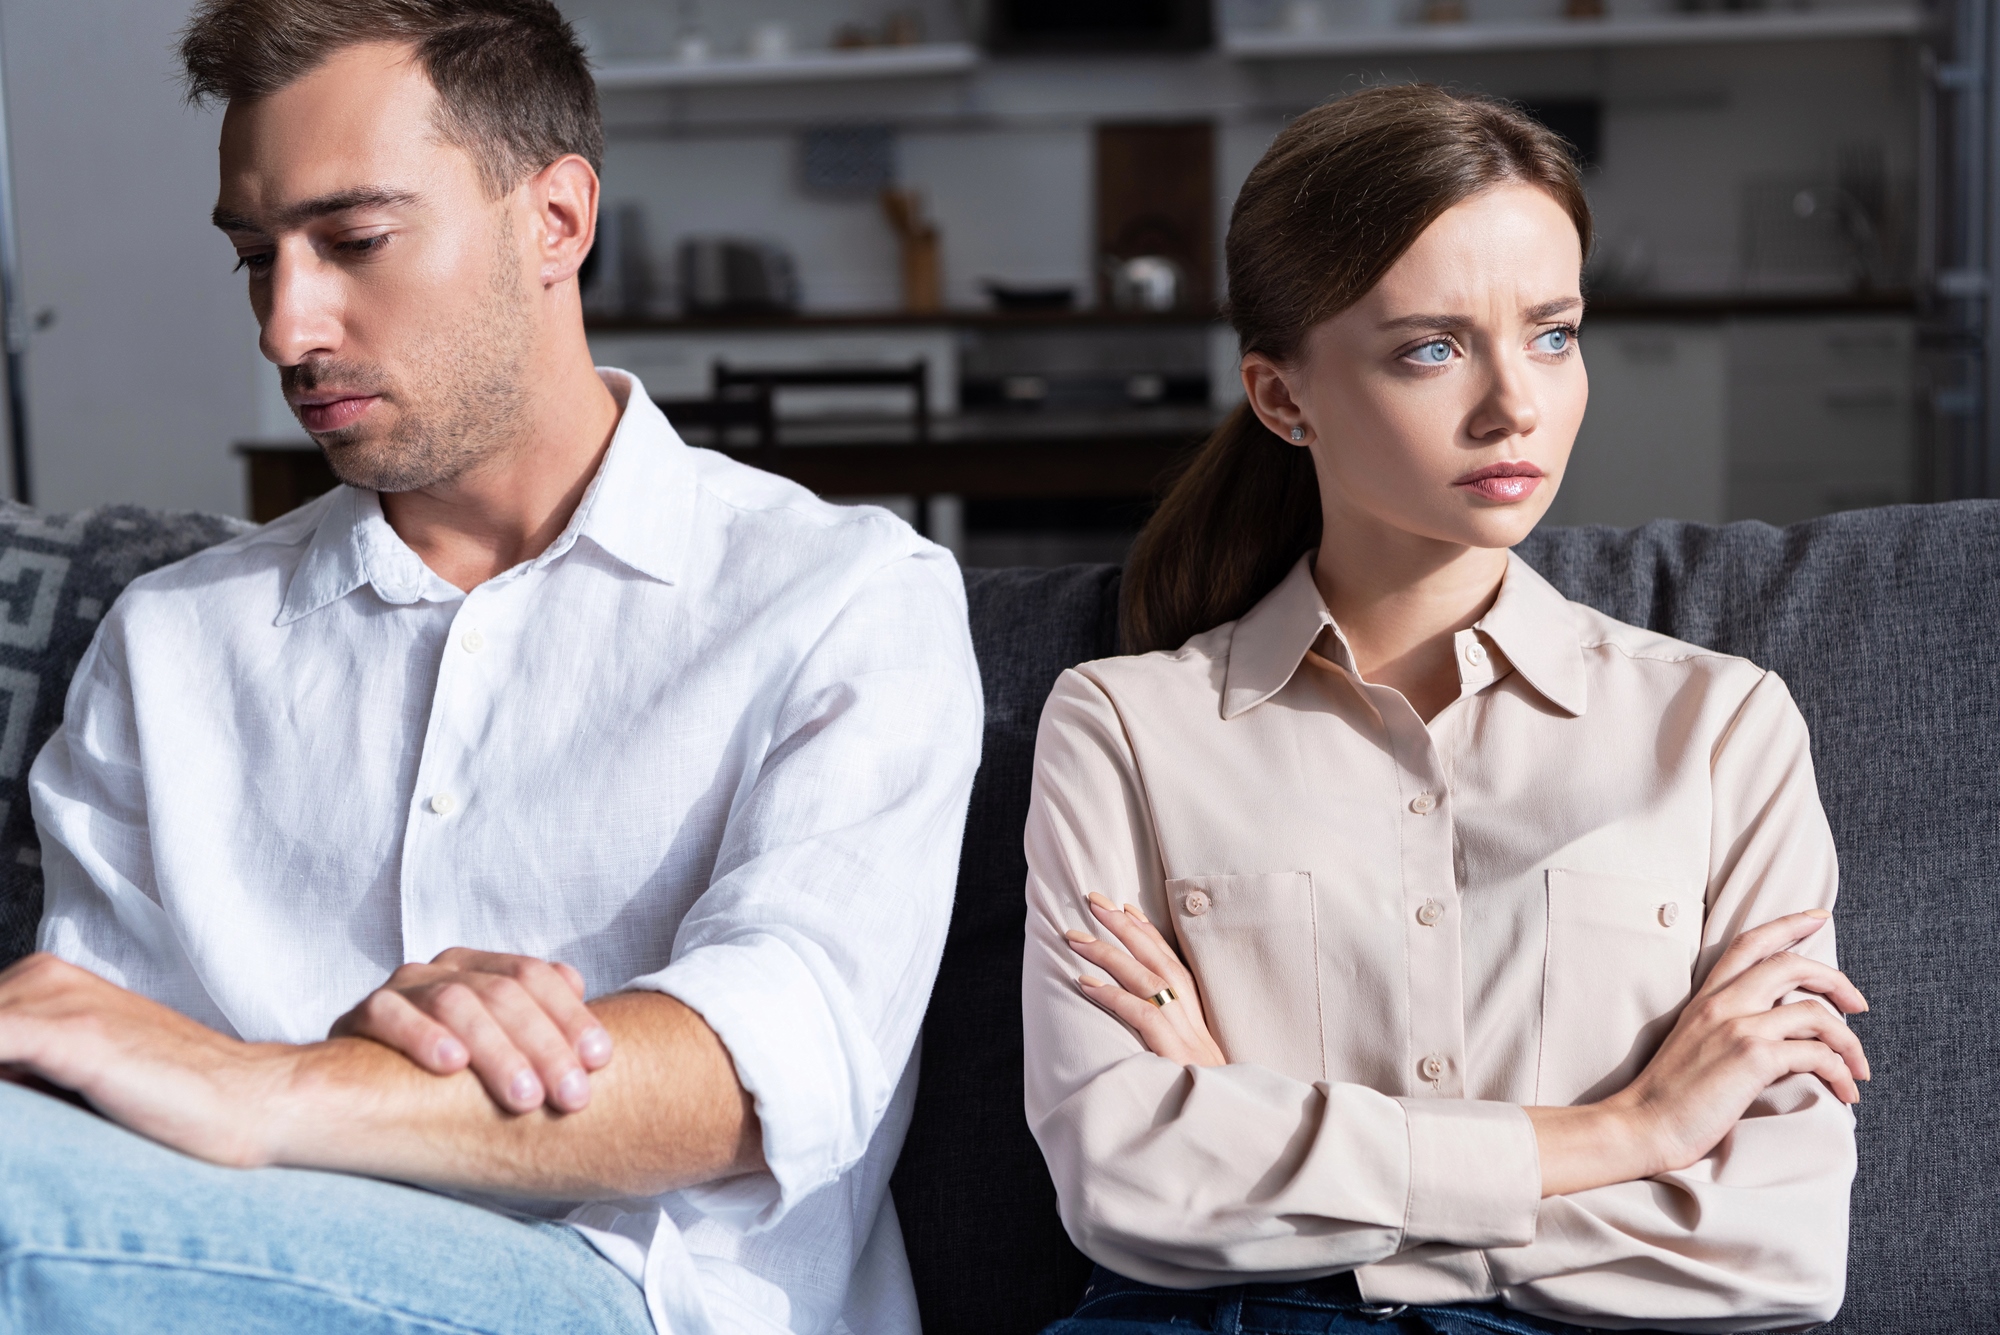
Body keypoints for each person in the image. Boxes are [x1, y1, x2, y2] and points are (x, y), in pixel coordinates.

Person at [0, 3, 982, 1333]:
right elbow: (98, 1081)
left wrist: (274, 1086)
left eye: (355, 240)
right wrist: (297, 1073)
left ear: (556, 221)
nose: (288, 327)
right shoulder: (173, 639)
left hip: (629, 1292)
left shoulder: (842, 598)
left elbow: (758, 1074)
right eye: (253, 258)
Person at [1022, 85, 1864, 1335]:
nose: (1512, 405)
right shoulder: (1125, 728)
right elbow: (1125, 1182)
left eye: (1552, 334)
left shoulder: (1721, 728)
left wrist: (1271, 1165)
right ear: (1279, 396)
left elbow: (1775, 1247)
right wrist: (1627, 1134)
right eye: (1430, 346)